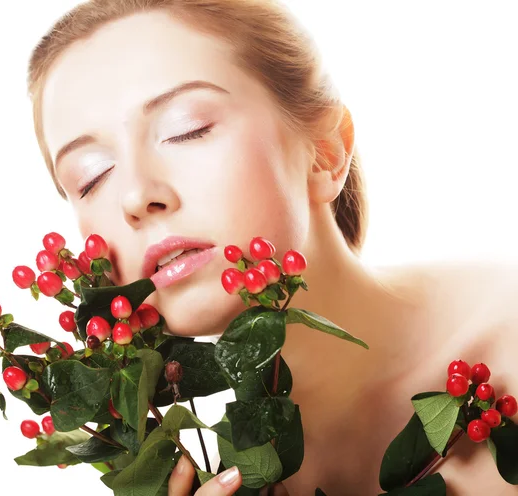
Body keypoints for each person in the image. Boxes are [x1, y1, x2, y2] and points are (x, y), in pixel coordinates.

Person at [26, 0, 518, 494]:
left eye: (186, 129)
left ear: (325, 152)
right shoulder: (223, 470)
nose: (135, 196)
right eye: (90, 178)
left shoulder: (505, 363)